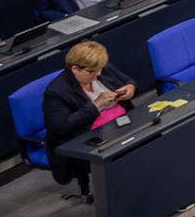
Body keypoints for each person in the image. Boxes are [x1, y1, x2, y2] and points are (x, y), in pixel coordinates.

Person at [40, 38, 132, 197]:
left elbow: (128, 81)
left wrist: (130, 87)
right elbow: (60, 128)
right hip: (86, 135)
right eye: (92, 72)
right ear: (75, 69)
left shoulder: (98, 67)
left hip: (121, 121)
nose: (98, 74)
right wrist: (96, 104)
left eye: (100, 69)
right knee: (125, 153)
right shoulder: (56, 92)